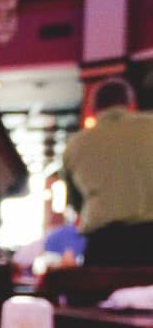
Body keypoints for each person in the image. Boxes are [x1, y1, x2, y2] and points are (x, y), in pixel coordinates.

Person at [62, 77, 153, 265]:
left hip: (103, 244)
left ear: (93, 110)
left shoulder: (75, 145)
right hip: (149, 238)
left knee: (102, 294)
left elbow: (75, 202)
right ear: (132, 104)